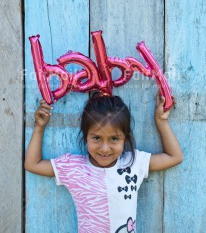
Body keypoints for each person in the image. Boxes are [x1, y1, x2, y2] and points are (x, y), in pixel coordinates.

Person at [24, 92, 183, 233]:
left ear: (125, 139)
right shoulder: (74, 167)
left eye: (114, 139)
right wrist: (40, 127)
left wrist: (161, 121)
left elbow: (174, 157)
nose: (105, 148)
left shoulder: (133, 164)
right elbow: (32, 164)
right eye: (96, 138)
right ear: (85, 136)